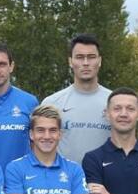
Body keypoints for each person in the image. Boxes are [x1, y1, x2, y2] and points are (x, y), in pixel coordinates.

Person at [41, 34, 112, 163]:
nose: (85, 63)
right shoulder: (52, 103)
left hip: (106, 176)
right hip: (64, 176)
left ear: (100, 61)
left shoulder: (115, 102)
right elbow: (41, 147)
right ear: (70, 61)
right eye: (79, 57)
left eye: (91, 57)